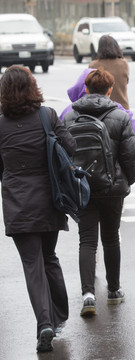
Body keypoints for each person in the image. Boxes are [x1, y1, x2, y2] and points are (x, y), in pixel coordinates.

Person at [0, 65, 73, 352]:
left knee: (32, 265)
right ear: (32, 87)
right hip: (49, 201)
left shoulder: (1, 125)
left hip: (18, 205)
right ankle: (59, 316)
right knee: (49, 257)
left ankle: (44, 323)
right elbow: (70, 147)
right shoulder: (47, 116)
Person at [63, 68, 135, 317]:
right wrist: (128, 181)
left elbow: (62, 154)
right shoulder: (120, 115)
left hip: (81, 185)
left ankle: (88, 295)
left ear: (85, 88)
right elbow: (129, 156)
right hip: (112, 187)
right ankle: (114, 291)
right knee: (110, 238)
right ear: (109, 90)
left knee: (87, 240)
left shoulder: (70, 115)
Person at [60, 68, 135, 135]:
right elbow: (134, 130)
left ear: (86, 90)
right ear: (109, 90)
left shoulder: (68, 112)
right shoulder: (119, 111)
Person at [90, 35, 131, 110]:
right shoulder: (124, 64)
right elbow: (126, 81)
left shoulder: (93, 65)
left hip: (100, 109)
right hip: (123, 108)